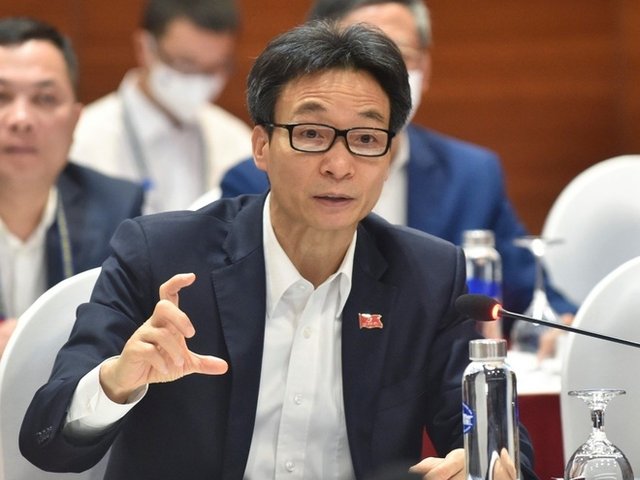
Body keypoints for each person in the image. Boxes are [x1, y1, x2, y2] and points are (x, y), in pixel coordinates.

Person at [20, 21, 536, 479]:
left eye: (365, 138)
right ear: (261, 146)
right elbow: (47, 439)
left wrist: (485, 465)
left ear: (389, 153)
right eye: (311, 133)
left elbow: (499, 443)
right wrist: (117, 382)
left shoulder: (428, 275)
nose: (339, 165)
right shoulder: (162, 257)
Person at [220, 0, 576, 353]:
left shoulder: (472, 175)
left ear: (425, 66)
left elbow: (528, 292)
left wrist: (562, 326)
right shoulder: (254, 178)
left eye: (399, 54)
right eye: (362, 51)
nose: (339, 166)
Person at [0, 17, 144, 355]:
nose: (21, 119)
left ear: (76, 119)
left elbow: (119, 340)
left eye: (45, 99)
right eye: (2, 96)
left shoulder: (116, 210)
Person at [69, 0, 252, 214]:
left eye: (215, 68)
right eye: (185, 64)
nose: (199, 81)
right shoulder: (83, 141)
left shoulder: (236, 142)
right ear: (145, 48)